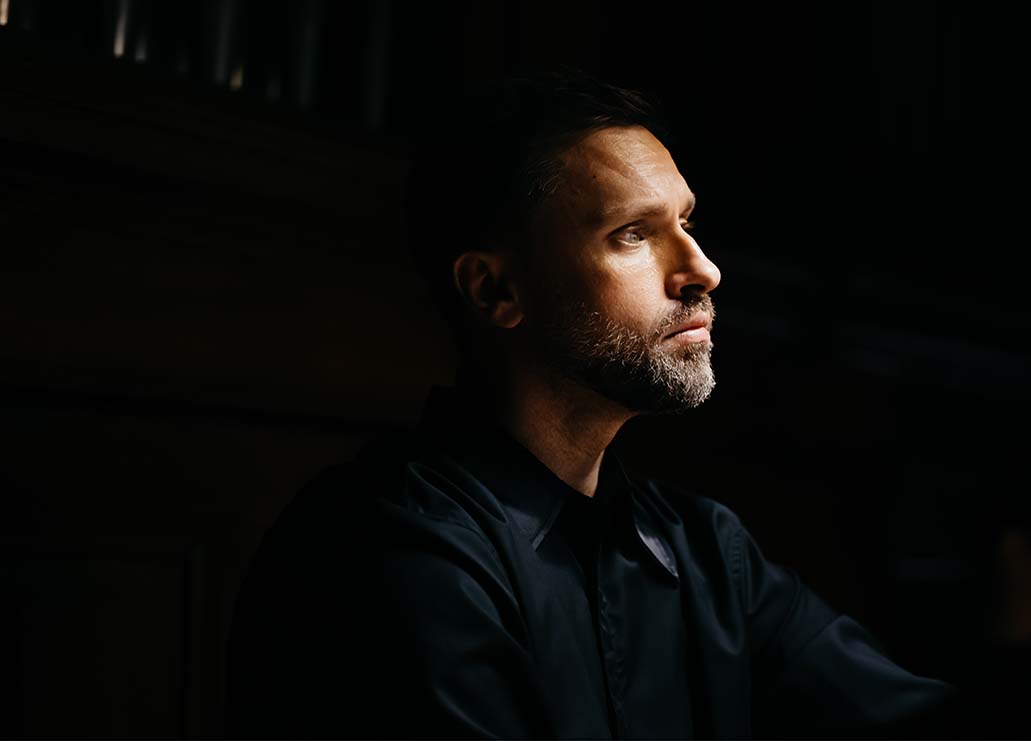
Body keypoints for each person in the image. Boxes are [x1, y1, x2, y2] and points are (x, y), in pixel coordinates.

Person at [225, 73, 952, 739]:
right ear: (496, 291)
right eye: (632, 234)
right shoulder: (391, 550)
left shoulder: (710, 556)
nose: (702, 269)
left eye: (686, 223)